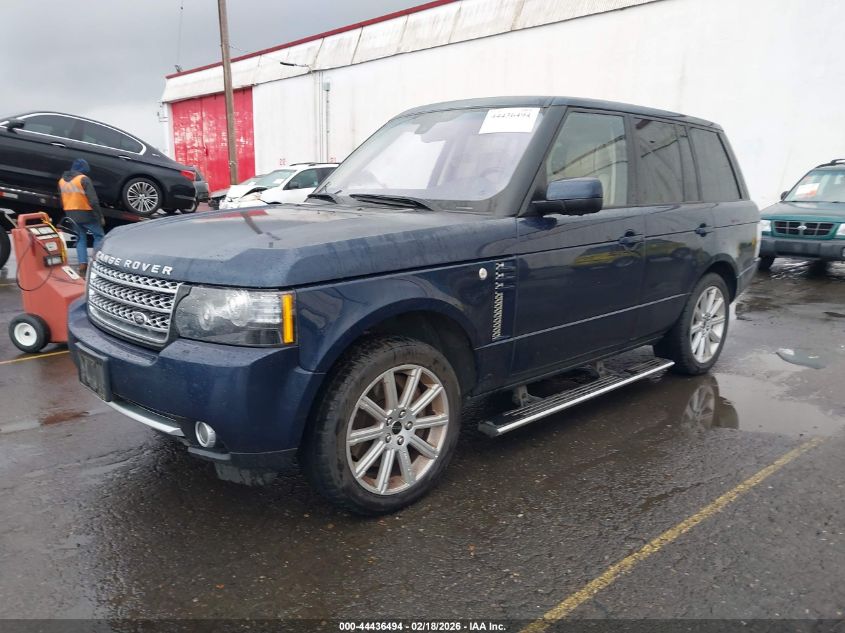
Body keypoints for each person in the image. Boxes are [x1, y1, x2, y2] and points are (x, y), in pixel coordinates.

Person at [58, 158, 104, 275]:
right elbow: (93, 201)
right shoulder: (83, 179)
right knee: (99, 236)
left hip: (71, 213)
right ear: (83, 168)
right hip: (86, 213)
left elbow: (62, 200)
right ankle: (95, 262)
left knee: (80, 239)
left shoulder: (61, 181)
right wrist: (100, 216)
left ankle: (82, 264)